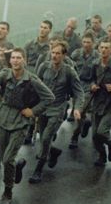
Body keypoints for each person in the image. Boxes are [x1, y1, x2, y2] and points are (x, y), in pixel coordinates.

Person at [0, 48, 55, 204]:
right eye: (13, 58)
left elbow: (49, 97)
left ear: (24, 60)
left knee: (8, 159)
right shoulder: (5, 74)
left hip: (20, 122)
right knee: (4, 158)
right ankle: (16, 167)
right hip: (2, 118)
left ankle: (7, 193)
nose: (15, 60)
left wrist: (33, 111)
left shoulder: (32, 80)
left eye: (19, 58)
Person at [31, 41, 83, 183]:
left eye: (58, 53)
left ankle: (38, 169)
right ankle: (53, 152)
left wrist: (77, 108)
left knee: (47, 137)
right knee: (43, 139)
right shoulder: (43, 67)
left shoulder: (69, 71)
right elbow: (35, 85)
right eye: (52, 53)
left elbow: (79, 92)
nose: (54, 56)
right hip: (43, 108)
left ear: (64, 55)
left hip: (58, 108)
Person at [68, 32, 98, 149]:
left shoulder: (97, 56)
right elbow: (69, 67)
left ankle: (74, 136)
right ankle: (84, 124)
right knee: (79, 112)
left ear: (93, 43)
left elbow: (99, 74)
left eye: (88, 42)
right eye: (84, 42)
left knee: (80, 109)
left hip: (88, 86)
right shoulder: (76, 54)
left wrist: (94, 84)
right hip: (76, 84)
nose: (86, 44)